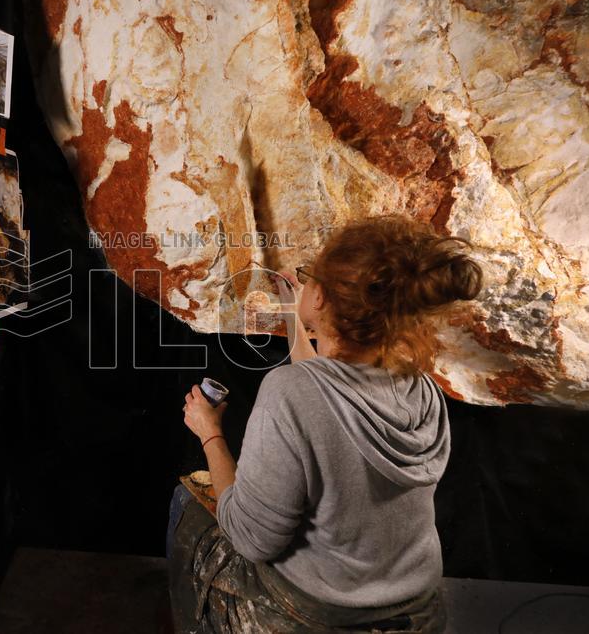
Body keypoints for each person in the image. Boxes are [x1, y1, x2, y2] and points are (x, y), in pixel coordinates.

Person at [168, 215, 483, 633]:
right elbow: (327, 388)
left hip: (320, 615)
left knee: (187, 503)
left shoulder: (288, 392)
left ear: (321, 297)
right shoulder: (419, 387)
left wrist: (209, 432)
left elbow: (252, 539)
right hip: (417, 608)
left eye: (309, 276)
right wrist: (299, 319)